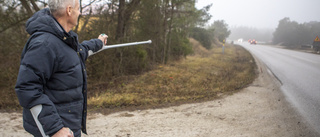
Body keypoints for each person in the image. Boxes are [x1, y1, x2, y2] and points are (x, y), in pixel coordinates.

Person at [15, 0, 108, 136]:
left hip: (69, 127)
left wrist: (99, 42)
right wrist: (55, 129)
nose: (80, 12)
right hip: (58, 130)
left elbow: (81, 51)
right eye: (78, 8)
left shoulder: (63, 40)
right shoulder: (44, 44)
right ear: (69, 11)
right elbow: (27, 88)